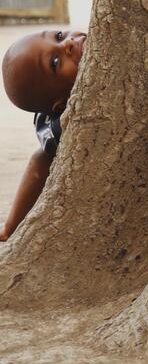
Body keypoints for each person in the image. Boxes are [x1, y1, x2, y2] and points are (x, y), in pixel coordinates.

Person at [1, 29, 87, 241]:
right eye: (55, 63)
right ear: (60, 105)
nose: (68, 43)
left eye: (59, 36)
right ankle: (9, 229)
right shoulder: (65, 126)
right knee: (42, 157)